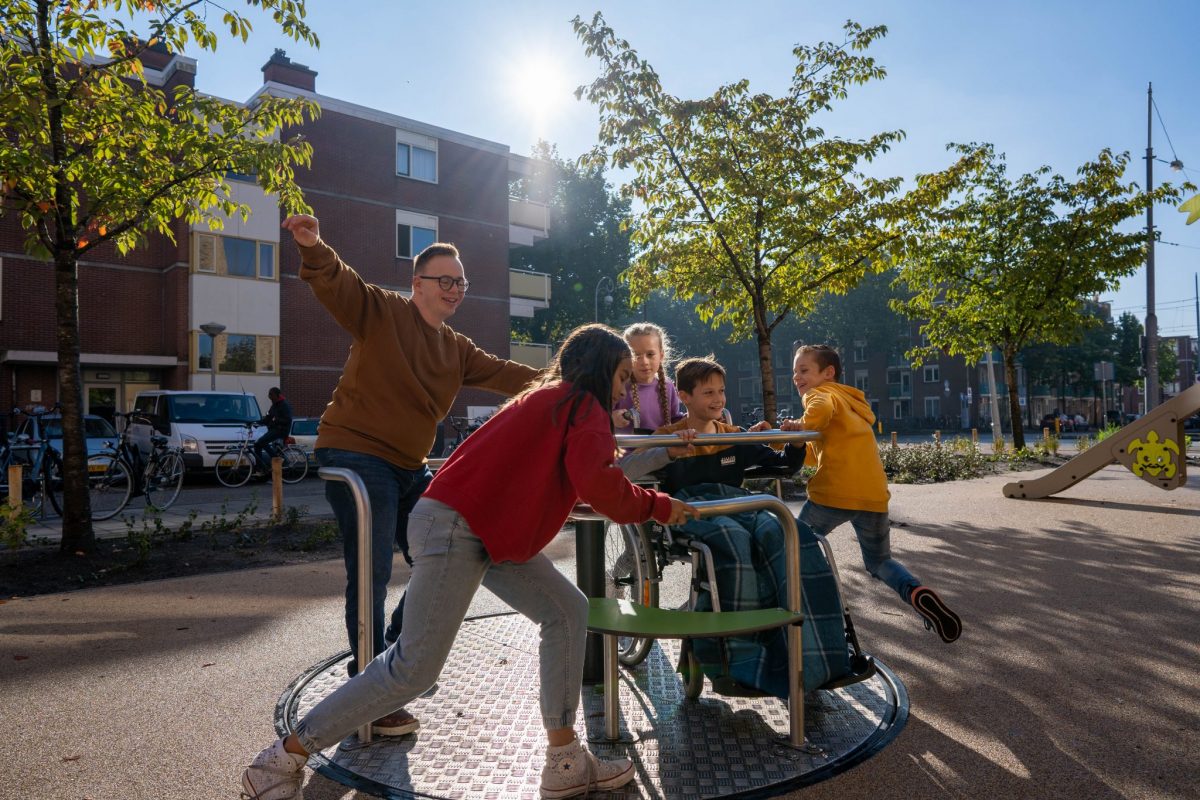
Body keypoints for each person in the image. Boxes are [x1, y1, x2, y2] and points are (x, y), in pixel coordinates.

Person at [240, 324, 700, 800]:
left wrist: (620, 492)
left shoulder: (552, 401)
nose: (628, 387)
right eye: (624, 375)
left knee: (566, 609)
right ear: (603, 370)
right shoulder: (583, 406)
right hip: (461, 527)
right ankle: (281, 760)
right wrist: (661, 506)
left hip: (474, 526)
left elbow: (574, 482)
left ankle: (565, 760)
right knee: (412, 668)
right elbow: (602, 485)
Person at [283, 214, 541, 736]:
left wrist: (577, 380)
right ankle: (368, 692)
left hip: (409, 466)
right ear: (417, 283)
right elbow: (339, 282)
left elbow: (512, 375)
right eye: (444, 280)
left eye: (461, 282)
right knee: (373, 571)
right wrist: (314, 245)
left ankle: (393, 664)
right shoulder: (382, 311)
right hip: (355, 456)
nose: (454, 289)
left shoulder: (456, 348)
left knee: (448, 551)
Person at [620, 357, 847, 697]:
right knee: (732, 538)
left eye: (721, 391)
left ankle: (819, 653)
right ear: (684, 396)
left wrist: (796, 443)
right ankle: (735, 660)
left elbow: (782, 465)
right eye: (708, 392)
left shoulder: (733, 437)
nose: (718, 399)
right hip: (691, 508)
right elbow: (628, 470)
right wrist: (669, 452)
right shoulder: (668, 436)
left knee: (787, 531)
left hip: (735, 503)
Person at [780, 344, 962, 643]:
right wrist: (787, 439)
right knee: (879, 562)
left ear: (828, 373)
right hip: (873, 496)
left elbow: (818, 413)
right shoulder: (852, 404)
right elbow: (815, 455)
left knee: (793, 545)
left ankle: (817, 608)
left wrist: (801, 425)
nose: (797, 377)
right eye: (795, 372)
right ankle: (915, 591)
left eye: (804, 370)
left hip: (834, 494)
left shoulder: (820, 395)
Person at [611, 322, 685, 434]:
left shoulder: (668, 386)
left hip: (662, 449)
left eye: (650, 355)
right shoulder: (619, 386)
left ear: (661, 355)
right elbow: (599, 418)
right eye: (636, 355)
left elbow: (676, 421)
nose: (644, 362)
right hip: (628, 450)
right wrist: (612, 419)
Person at [253, 387, 293, 476]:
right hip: (274, 429)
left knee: (261, 442)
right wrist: (255, 422)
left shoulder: (284, 405)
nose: (269, 396)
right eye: (269, 394)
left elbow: (288, 419)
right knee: (257, 444)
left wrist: (275, 420)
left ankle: (277, 459)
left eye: (271, 394)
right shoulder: (273, 406)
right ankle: (260, 469)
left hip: (281, 430)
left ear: (277, 395)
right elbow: (267, 418)